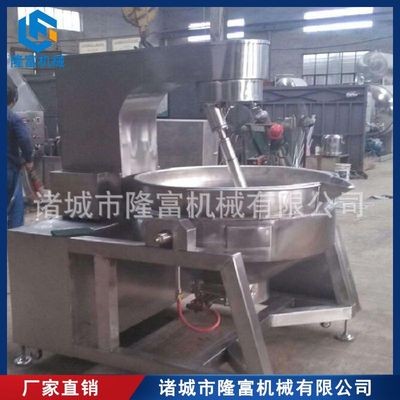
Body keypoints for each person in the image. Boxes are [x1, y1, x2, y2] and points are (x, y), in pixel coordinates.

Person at [7, 83, 34, 228]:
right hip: (8, 170)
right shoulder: (13, 118)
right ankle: (15, 237)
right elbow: (25, 139)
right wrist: (28, 159)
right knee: (15, 209)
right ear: (14, 99)